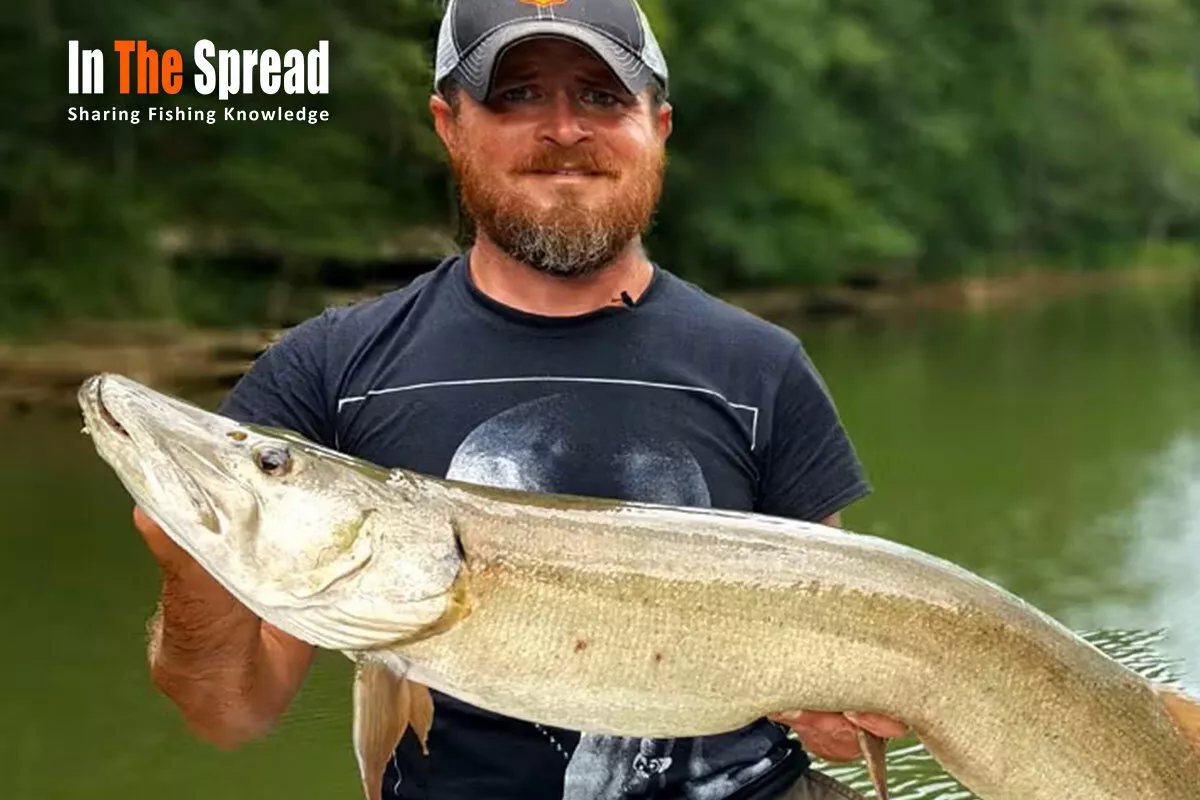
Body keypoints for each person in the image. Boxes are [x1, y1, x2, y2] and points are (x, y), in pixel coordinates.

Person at [131, 0, 908, 797]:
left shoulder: (764, 367)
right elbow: (226, 713)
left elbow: (833, 671)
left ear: (659, 126)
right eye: (518, 95)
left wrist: (837, 709)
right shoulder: (325, 371)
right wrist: (193, 563)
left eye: (603, 97)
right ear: (449, 123)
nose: (565, 129)